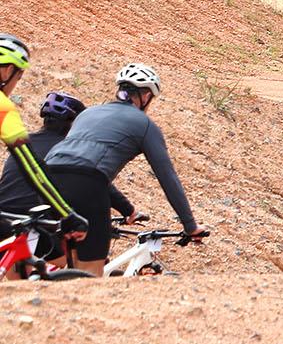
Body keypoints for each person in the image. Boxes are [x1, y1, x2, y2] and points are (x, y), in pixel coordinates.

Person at [43, 63, 204, 276]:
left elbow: (77, 163)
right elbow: (167, 177)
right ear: (145, 96)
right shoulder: (144, 124)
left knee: (68, 263)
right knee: (90, 271)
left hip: (46, 179)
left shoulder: (87, 114)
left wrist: (125, 208)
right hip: (88, 184)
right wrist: (190, 225)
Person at [0, 93, 136, 262]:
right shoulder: (67, 150)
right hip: (37, 224)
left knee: (21, 281)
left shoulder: (24, 143)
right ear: (74, 123)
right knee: (80, 260)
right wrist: (129, 211)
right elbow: (97, 182)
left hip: (5, 218)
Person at [0, 37, 86, 247]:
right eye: (18, 78)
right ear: (7, 71)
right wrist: (66, 214)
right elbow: (31, 166)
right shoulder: (3, 107)